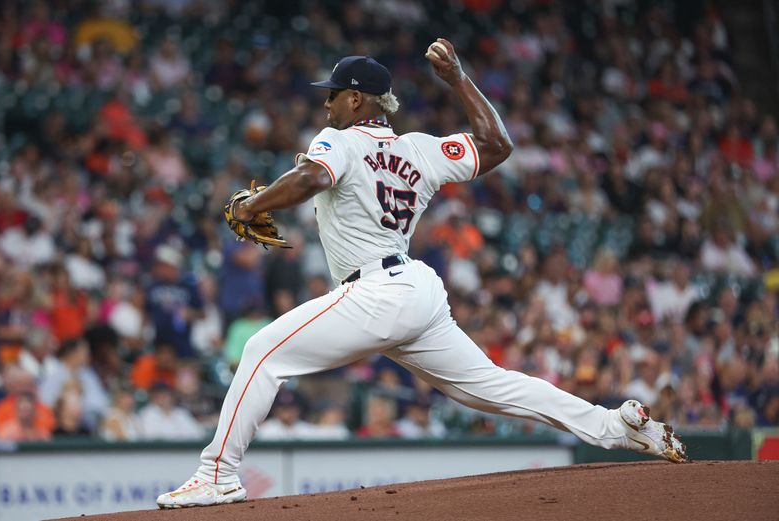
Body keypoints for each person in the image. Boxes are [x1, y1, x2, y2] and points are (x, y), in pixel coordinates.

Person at [157, 39, 687, 509]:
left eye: (334, 93)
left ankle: (217, 476)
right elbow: (497, 145)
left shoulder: (337, 139)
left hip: (377, 292)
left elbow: (312, 176)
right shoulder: (420, 149)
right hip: (416, 290)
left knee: (261, 353)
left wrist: (252, 207)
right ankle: (615, 426)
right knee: (492, 388)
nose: (327, 102)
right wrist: (458, 78)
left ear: (356, 99)